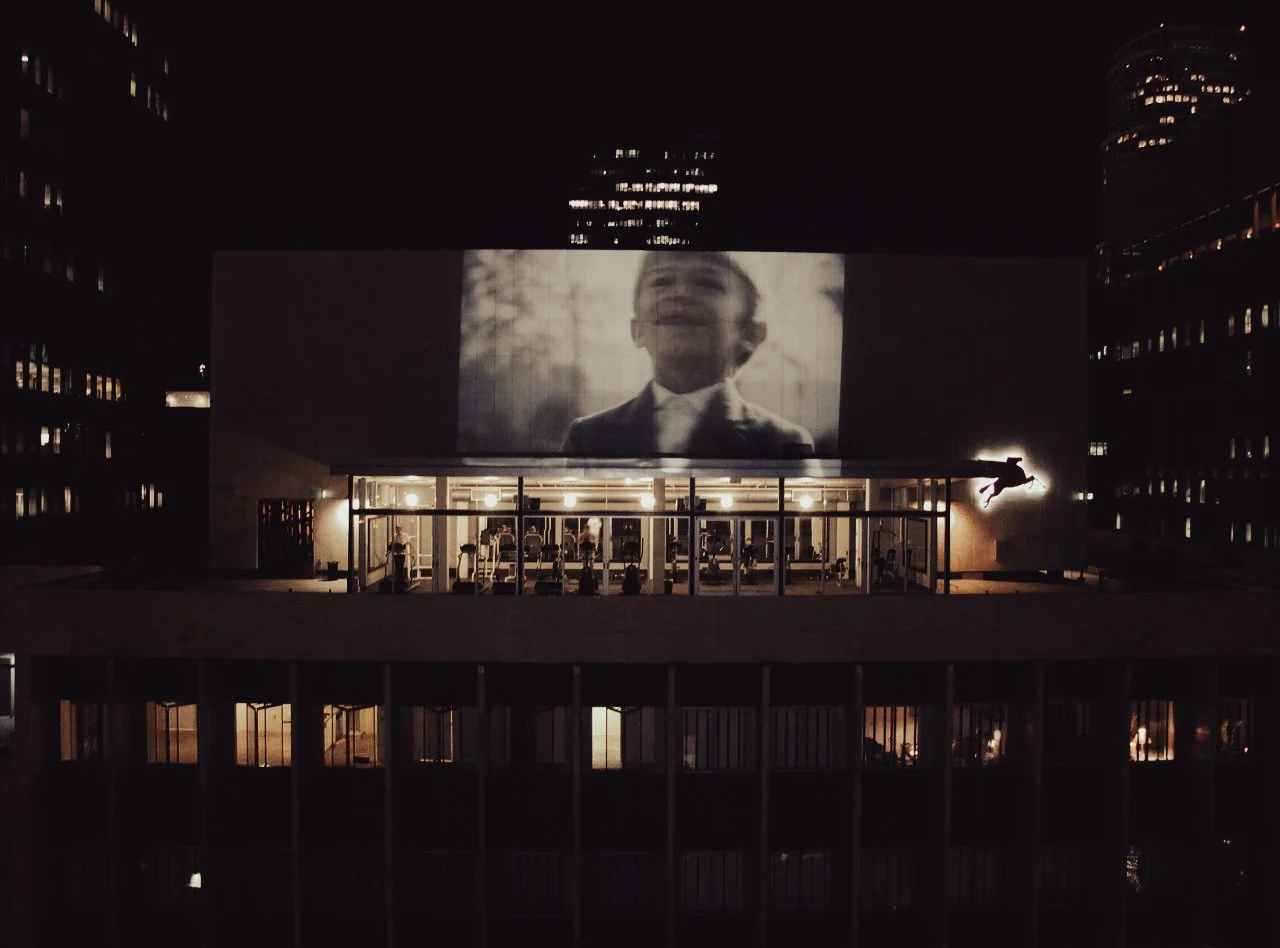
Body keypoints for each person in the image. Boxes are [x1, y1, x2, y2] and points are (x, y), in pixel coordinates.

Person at [560, 250, 815, 457]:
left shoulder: (784, 443)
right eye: (662, 281)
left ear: (750, 334)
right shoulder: (587, 437)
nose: (679, 293)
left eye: (708, 283)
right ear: (637, 330)